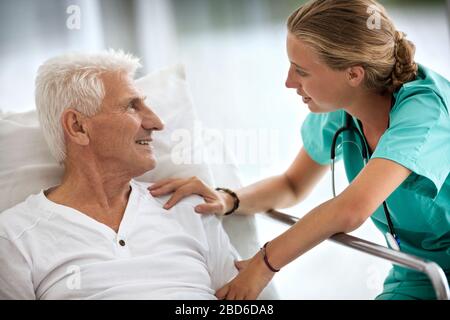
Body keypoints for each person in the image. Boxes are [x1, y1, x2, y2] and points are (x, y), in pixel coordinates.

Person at [148, 0, 450, 300]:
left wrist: (264, 265)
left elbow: (351, 209)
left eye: (301, 71)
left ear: (354, 75)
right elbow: (292, 184)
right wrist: (228, 199)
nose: (288, 82)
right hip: (418, 273)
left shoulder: (424, 114)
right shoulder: (344, 108)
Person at [0, 51, 239, 299]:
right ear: (78, 127)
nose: (157, 123)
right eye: (131, 106)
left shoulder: (189, 207)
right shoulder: (14, 239)